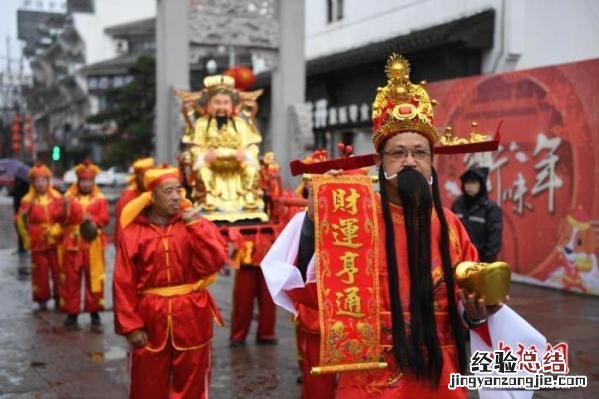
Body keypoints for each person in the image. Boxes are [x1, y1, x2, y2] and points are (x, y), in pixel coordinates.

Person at [262, 54, 499, 398]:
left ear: (432, 161)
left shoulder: (450, 225)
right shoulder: (352, 220)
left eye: (420, 153)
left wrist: (477, 315)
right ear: (378, 161)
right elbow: (303, 285)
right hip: (370, 377)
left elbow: (469, 301)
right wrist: (316, 220)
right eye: (397, 153)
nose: (410, 161)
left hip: (439, 373)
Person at [113, 166, 227, 399]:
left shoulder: (192, 223)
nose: (176, 196)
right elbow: (123, 281)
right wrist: (131, 326)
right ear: (152, 196)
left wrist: (198, 227)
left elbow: (215, 262)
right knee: (147, 385)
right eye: (168, 191)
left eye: (179, 190)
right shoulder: (133, 232)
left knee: (192, 384)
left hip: (192, 314)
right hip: (150, 318)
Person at [181, 74, 263, 213]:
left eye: (225, 103)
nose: (221, 107)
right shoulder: (201, 124)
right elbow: (195, 148)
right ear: (208, 105)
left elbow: (251, 146)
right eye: (217, 102)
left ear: (232, 106)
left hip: (237, 166)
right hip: (212, 166)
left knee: (252, 170)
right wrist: (204, 157)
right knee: (203, 172)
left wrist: (246, 155)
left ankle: (249, 201)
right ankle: (207, 202)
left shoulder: (240, 124)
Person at [61, 160, 109, 331]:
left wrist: (93, 220)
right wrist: (65, 210)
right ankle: (72, 313)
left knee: (94, 278)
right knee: (72, 279)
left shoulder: (100, 199)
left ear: (93, 181)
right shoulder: (69, 198)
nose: (86, 184)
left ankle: (94, 313)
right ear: (78, 181)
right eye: (83, 181)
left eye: (89, 181)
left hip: (93, 243)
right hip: (73, 243)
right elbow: (63, 220)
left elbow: (105, 219)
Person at [16, 163, 64, 310]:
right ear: (33, 183)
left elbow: (63, 218)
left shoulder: (57, 197)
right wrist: (26, 238)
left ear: (48, 181)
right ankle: (41, 299)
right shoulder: (27, 200)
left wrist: (57, 230)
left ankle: (59, 297)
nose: (41, 184)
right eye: (37, 181)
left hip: (55, 240)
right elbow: (20, 221)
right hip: (37, 241)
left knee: (58, 270)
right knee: (40, 272)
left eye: (43, 180)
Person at [451, 166, 503, 262]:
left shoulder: (490, 208)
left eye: (473, 183)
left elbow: (493, 241)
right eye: (467, 182)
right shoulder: (457, 205)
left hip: (481, 263)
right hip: (459, 262)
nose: (470, 186)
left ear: (481, 185)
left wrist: (485, 264)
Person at [113, 157, 155, 244]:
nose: (147, 180)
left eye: (149, 176)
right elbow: (122, 228)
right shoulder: (127, 197)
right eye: (143, 176)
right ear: (136, 178)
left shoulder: (156, 193)